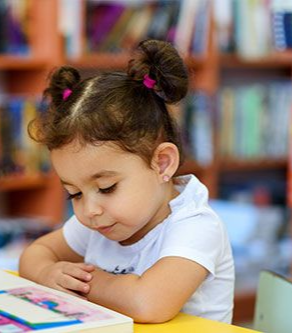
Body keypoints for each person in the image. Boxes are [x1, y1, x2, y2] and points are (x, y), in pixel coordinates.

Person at [19, 39, 234, 324]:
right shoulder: (102, 221)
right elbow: (34, 254)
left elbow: (149, 304)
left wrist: (81, 282)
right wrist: (48, 273)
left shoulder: (196, 226)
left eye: (107, 188)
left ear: (162, 163)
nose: (89, 210)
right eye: (74, 194)